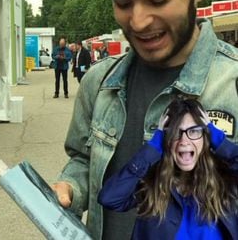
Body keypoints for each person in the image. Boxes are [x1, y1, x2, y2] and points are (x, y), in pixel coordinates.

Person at [51, 0, 238, 239]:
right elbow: (83, 161)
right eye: (123, 2)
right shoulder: (99, 83)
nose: (137, 22)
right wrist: (70, 187)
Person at [99, 99, 238, 239]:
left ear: (205, 136)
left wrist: (219, 139)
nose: (184, 141)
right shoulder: (151, 184)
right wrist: (154, 145)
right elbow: (109, 198)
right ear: (166, 139)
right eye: (176, 132)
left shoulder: (223, 181)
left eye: (194, 131)